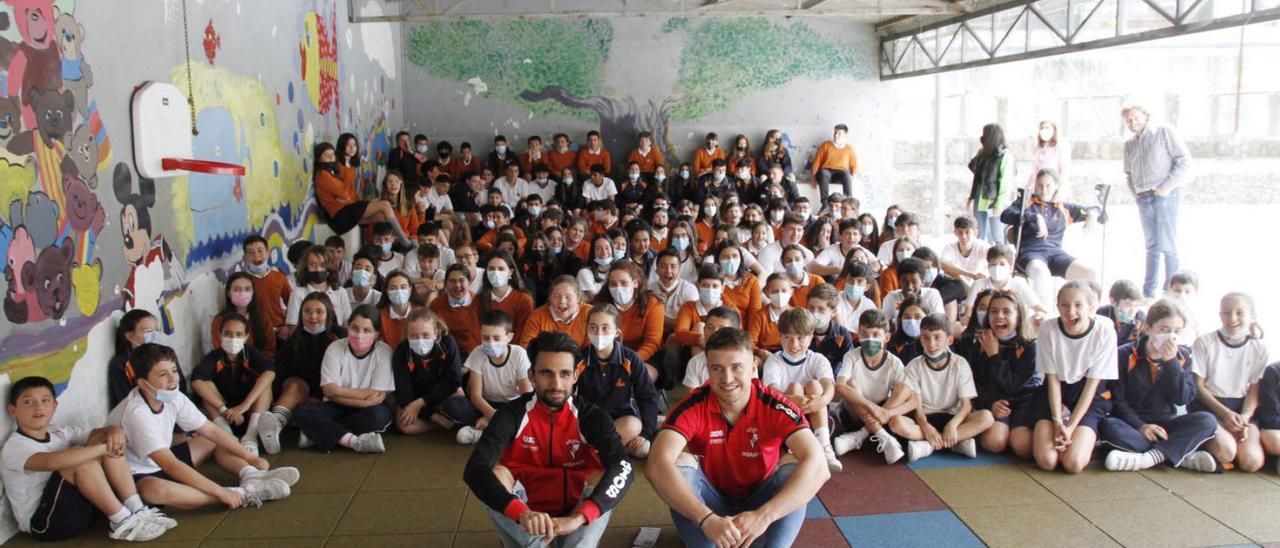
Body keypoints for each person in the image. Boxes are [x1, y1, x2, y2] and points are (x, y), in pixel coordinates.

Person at [647, 327, 830, 548]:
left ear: (753, 367)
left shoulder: (775, 405)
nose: (727, 378)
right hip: (710, 507)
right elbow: (656, 464)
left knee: (798, 465)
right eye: (717, 368)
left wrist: (763, 517)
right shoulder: (692, 406)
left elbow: (820, 465)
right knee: (679, 465)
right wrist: (706, 519)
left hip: (761, 505)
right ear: (707, 370)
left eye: (736, 367)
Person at [463, 331, 633, 547]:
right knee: (495, 474)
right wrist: (521, 513)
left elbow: (623, 467)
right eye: (546, 373)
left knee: (605, 474)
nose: (556, 384)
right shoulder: (510, 415)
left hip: (575, 516)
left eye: (564, 374)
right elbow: (475, 469)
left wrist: (579, 518)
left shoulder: (592, 416)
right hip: (525, 517)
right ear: (531, 376)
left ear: (575, 375)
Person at [108, 344, 296, 509]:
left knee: (214, 438)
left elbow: (211, 430)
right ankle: (242, 493)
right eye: (162, 374)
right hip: (136, 474)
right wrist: (220, 492)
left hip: (164, 460)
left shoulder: (173, 396)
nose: (173, 380)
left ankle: (251, 476)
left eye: (174, 370)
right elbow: (171, 465)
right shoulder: (136, 413)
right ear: (142, 383)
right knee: (155, 491)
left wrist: (250, 458)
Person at [2, 376, 175, 542]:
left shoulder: (58, 432)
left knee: (106, 441)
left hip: (81, 513)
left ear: (55, 406)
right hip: (46, 525)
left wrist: (113, 431)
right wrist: (102, 449)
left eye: (45, 400)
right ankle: (122, 520)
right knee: (81, 458)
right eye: (28, 402)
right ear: (12, 410)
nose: (38, 407)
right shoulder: (15, 446)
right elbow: (52, 462)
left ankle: (136, 509)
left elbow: (99, 433)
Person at [1100, 300, 1220, 472]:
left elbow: (1183, 398)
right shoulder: (1125, 354)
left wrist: (1171, 362)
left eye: (1176, 331)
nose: (1170, 336)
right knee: (1107, 425)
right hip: (1132, 424)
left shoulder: (1183, 356)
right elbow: (1117, 401)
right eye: (1164, 330)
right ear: (1148, 328)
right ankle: (1177, 454)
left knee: (1207, 420)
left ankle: (1149, 458)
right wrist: (1141, 426)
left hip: (1166, 424)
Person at [1032, 282, 1118, 473]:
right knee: (1048, 461)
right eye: (1064, 305)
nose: (1070, 311)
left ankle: (1087, 439)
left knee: (1073, 464)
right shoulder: (1048, 329)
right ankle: (1055, 436)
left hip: (1088, 396)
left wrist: (1070, 427)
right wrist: (1057, 422)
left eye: (1078, 305)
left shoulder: (1104, 331)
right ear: (1057, 307)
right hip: (1055, 394)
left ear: (1091, 308)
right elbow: (1052, 380)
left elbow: (1092, 385)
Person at [292, 305, 396, 453]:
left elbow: (377, 393)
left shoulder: (384, 351)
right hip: (338, 404)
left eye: (367, 330)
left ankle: (319, 433)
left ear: (377, 333)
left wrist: (339, 391)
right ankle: (354, 442)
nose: (359, 335)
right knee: (302, 413)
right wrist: (363, 401)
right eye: (354, 328)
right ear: (347, 326)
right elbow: (329, 390)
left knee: (378, 417)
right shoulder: (335, 347)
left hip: (370, 408)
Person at [889, 314, 994, 462]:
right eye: (926, 337)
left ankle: (928, 445)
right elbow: (916, 406)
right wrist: (926, 426)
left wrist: (953, 425)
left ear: (949, 340)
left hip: (952, 416)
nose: (931, 344)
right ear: (921, 340)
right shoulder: (914, 365)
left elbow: (966, 405)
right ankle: (953, 442)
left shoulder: (960, 364)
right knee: (896, 423)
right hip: (924, 417)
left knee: (987, 417)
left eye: (937, 337)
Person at [954, 290, 1040, 457]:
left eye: (1006, 311)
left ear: (1019, 316)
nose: (999, 316)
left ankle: (1011, 433)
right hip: (996, 402)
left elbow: (1013, 386)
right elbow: (974, 382)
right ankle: (970, 436)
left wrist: (994, 355)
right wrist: (991, 403)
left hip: (1023, 402)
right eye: (993, 311)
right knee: (995, 443)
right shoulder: (980, 341)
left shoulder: (1030, 346)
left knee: (1023, 448)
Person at [1191, 293, 1269, 472]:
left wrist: (1245, 417)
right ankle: (1196, 451)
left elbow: (1254, 389)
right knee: (1226, 452)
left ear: (1252, 317)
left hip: (1241, 409)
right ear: (1220, 315)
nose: (1232, 318)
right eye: (1226, 313)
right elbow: (1199, 386)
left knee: (1252, 463)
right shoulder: (1205, 342)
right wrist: (1224, 413)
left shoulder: (1259, 349)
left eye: (1239, 313)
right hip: (1210, 406)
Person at [1001, 169, 1102, 307]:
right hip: (1030, 254)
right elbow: (1005, 215)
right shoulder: (1026, 202)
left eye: (1048, 186)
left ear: (1056, 187)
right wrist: (1034, 217)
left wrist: (1092, 215)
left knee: (1090, 274)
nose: (1043, 190)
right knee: (1042, 273)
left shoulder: (1063, 207)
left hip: (1055, 255)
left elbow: (1095, 209)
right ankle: (1041, 315)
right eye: (1040, 186)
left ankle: (1087, 315)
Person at [1122, 101, 1191, 298]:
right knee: (1151, 246)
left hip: (1165, 195)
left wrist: (1165, 187)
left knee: (1168, 244)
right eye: (1128, 120)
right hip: (1143, 198)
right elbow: (1128, 173)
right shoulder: (1129, 144)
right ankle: (1149, 291)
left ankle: (1172, 290)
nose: (1132, 122)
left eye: (1136, 118)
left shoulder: (1163, 132)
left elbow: (1184, 161)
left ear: (1145, 115)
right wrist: (1135, 194)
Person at [577, 304, 662, 458]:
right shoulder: (579, 359)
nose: (599, 333)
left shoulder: (630, 359)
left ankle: (592, 453)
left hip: (623, 421)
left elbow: (648, 396)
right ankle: (609, 450)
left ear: (616, 332)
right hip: (590, 423)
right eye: (593, 327)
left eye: (605, 328)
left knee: (639, 439)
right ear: (587, 329)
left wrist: (645, 434)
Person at [762, 309, 842, 472]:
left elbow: (828, 385)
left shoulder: (817, 359)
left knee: (814, 385)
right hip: (785, 416)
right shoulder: (774, 361)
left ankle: (824, 446)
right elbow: (772, 390)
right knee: (795, 387)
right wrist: (791, 400)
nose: (794, 344)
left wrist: (822, 400)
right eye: (787, 338)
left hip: (813, 413)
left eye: (800, 338)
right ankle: (794, 446)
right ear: (780, 336)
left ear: (811, 337)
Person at [264, 293, 346, 446]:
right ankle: (273, 426)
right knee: (294, 384)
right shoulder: (294, 339)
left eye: (319, 312)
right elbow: (280, 371)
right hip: (297, 395)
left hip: (329, 395)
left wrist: (316, 397)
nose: (313, 316)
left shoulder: (340, 337)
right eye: (307, 311)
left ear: (328, 313)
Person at [192, 314, 278, 457]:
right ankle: (227, 437)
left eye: (238, 334)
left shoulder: (252, 354)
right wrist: (225, 410)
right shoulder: (214, 357)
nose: (233, 339)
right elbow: (196, 382)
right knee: (205, 385)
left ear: (246, 337)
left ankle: (251, 438)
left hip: (251, 411)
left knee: (265, 382)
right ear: (220, 335)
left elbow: (270, 372)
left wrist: (245, 404)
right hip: (226, 413)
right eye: (228, 334)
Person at [833, 309, 911, 464]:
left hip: (882, 412)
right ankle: (883, 437)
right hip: (854, 414)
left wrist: (886, 412)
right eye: (864, 334)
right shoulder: (852, 356)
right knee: (851, 384)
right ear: (858, 335)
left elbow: (910, 395)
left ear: (886, 337)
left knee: (903, 388)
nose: (869, 339)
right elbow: (840, 386)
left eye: (875, 335)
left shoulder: (894, 362)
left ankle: (862, 435)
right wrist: (871, 407)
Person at [453, 311, 533, 445]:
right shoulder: (478, 353)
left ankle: (485, 432)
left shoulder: (519, 354)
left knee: (529, 412)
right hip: (486, 404)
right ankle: (501, 430)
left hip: (512, 405)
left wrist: (495, 417)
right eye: (485, 338)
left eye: (496, 338)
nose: (490, 343)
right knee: (455, 406)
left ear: (509, 337)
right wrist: (493, 414)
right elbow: (475, 395)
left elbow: (526, 395)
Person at [312, 142, 413, 247]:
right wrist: (345, 194)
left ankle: (396, 242)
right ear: (319, 158)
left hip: (345, 209)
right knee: (385, 205)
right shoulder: (323, 174)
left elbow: (349, 192)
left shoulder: (331, 172)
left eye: (332, 154)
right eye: (326, 155)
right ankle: (405, 243)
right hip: (340, 214)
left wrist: (345, 197)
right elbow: (345, 193)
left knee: (382, 217)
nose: (330, 157)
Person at [390, 309, 466, 435]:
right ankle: (439, 423)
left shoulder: (447, 343)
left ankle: (443, 418)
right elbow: (403, 393)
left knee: (460, 403)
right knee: (404, 425)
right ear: (407, 335)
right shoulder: (401, 352)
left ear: (436, 333)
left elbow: (454, 381)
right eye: (413, 336)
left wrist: (420, 403)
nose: (420, 340)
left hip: (440, 390)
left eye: (426, 335)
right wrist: (431, 416)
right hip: (414, 395)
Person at [108, 310, 191, 408]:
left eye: (156, 330)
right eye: (148, 331)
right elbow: (125, 400)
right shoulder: (121, 364)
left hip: (175, 407)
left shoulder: (166, 354)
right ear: (129, 336)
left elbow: (181, 386)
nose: (154, 334)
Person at [283, 245, 352, 339]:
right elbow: (292, 328)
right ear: (306, 267)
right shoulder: (298, 293)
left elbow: (347, 323)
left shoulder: (341, 292)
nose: (318, 269)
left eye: (322, 265)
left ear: (329, 267)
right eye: (313, 265)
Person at [966, 124, 1016, 244]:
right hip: (980, 198)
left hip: (994, 201)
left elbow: (1005, 182)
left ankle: (1000, 260)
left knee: (997, 235)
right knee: (980, 234)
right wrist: (971, 197)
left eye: (985, 134)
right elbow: (975, 173)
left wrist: (999, 203)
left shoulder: (1005, 155)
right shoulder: (983, 154)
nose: (982, 137)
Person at [241, 235, 292, 340]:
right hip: (254, 332)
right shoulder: (242, 281)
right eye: (250, 252)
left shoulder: (279, 277)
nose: (256, 256)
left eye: (260, 251)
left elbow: (292, 303)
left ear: (268, 253)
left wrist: (288, 326)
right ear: (245, 257)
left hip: (280, 331)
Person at [683, 307, 741, 389]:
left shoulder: (745, 362)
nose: (714, 333)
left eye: (722, 329)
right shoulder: (695, 363)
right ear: (704, 330)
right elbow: (693, 398)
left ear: (735, 332)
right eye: (710, 327)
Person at [429, 264, 480, 354]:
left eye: (461, 281)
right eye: (452, 281)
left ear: (469, 282)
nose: (457, 285)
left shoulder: (479, 303)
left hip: (473, 353)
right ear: (445, 283)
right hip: (446, 353)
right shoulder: (435, 305)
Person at [747, 273, 792, 362]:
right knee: (755, 361)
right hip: (766, 354)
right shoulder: (759, 316)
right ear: (767, 293)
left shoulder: (797, 315)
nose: (780, 295)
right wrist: (760, 352)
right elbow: (749, 342)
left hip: (790, 352)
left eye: (784, 291)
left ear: (791, 292)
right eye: (775, 291)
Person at [939, 215, 990, 287]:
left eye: (967, 232)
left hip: (979, 287)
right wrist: (972, 275)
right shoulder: (949, 248)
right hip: (956, 286)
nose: (963, 236)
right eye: (960, 232)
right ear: (955, 232)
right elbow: (943, 264)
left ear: (975, 232)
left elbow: (996, 257)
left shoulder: (982, 246)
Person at [811, 124, 857, 202]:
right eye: (835, 133)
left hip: (841, 174)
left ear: (845, 135)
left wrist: (853, 177)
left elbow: (854, 166)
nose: (836, 135)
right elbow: (817, 161)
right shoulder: (825, 145)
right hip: (826, 173)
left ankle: (849, 201)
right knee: (823, 172)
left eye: (839, 133)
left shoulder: (849, 149)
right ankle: (825, 202)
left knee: (847, 175)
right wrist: (813, 178)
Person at [1098, 279, 1146, 347]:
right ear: (1113, 301)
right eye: (1128, 305)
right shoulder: (1100, 315)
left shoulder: (1141, 319)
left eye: (1136, 306)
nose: (1133, 311)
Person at [377, 271, 416, 349]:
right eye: (393, 288)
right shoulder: (379, 316)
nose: (399, 291)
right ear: (387, 292)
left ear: (410, 290)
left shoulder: (421, 313)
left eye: (403, 287)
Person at [1028, 121, 1067, 188]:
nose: (1044, 130)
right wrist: (1028, 186)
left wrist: (1060, 188)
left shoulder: (1059, 147)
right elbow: (1034, 171)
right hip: (1040, 184)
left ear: (1054, 130)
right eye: (1042, 128)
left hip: (1053, 185)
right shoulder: (1038, 149)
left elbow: (1063, 170)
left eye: (1047, 128)